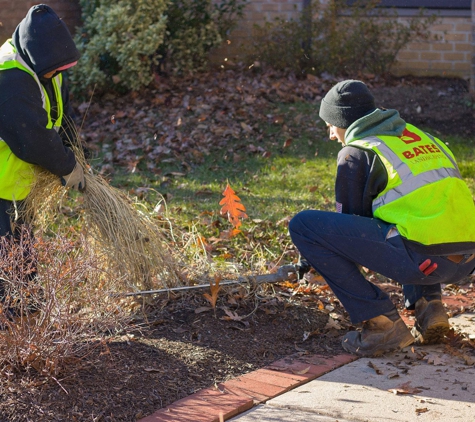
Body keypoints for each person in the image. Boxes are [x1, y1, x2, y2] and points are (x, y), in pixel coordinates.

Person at [289, 80, 475, 357]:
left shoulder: (356, 153)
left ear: (344, 120)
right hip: (466, 258)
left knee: (303, 225)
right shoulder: (423, 137)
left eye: (330, 124)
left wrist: (314, 258)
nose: (330, 134)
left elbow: (351, 229)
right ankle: (430, 306)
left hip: (425, 260)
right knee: (408, 222)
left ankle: (381, 323)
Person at [0, 4, 85, 311]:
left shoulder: (48, 67)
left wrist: (78, 154)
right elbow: (32, 139)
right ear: (37, 56)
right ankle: (12, 338)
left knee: (22, 253)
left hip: (19, 184)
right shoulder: (9, 77)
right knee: (6, 263)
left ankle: (29, 316)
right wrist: (66, 167)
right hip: (2, 186)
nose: (58, 74)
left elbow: (62, 114)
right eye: (55, 69)